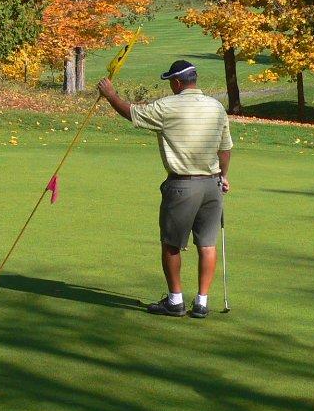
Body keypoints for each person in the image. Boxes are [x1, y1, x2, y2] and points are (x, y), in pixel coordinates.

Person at [97, 59, 232, 318]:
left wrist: (110, 95)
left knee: (171, 244)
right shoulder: (216, 107)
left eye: (171, 81)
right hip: (213, 185)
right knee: (207, 245)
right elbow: (225, 149)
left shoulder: (167, 106)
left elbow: (132, 113)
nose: (171, 86)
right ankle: (202, 303)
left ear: (178, 82)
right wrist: (224, 176)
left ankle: (175, 301)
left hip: (183, 185)